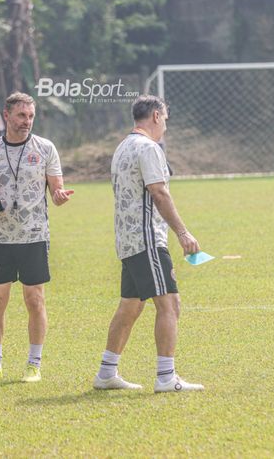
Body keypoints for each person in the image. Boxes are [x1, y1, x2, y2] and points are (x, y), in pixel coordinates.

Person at [92, 95, 204, 393]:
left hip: (127, 241)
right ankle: (166, 377)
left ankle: (106, 373)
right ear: (156, 116)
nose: (165, 125)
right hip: (147, 240)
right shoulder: (148, 148)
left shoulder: (123, 146)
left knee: (130, 306)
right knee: (170, 303)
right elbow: (159, 192)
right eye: (164, 118)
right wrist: (182, 232)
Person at [0, 92, 74, 383]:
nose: (26, 121)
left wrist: (59, 195)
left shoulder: (45, 148)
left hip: (34, 235)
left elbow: (56, 189)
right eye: (21, 115)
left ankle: (34, 364)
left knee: (35, 299)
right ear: (6, 115)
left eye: (30, 116)